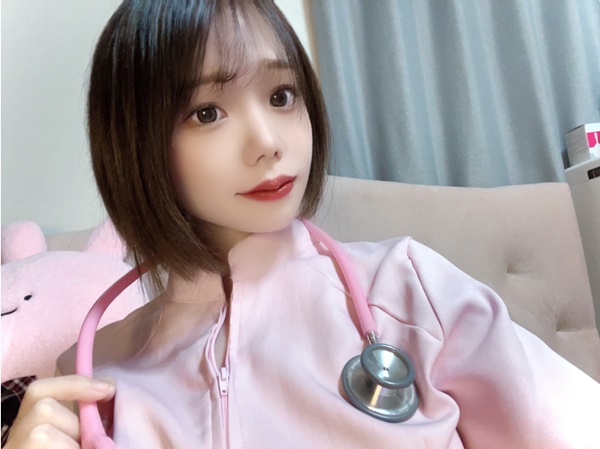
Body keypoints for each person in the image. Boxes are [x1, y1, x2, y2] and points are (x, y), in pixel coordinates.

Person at [5, 1, 600, 448]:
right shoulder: (91, 374)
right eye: (208, 112)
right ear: (135, 145)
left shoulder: (410, 289)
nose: (268, 142)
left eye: (282, 95)